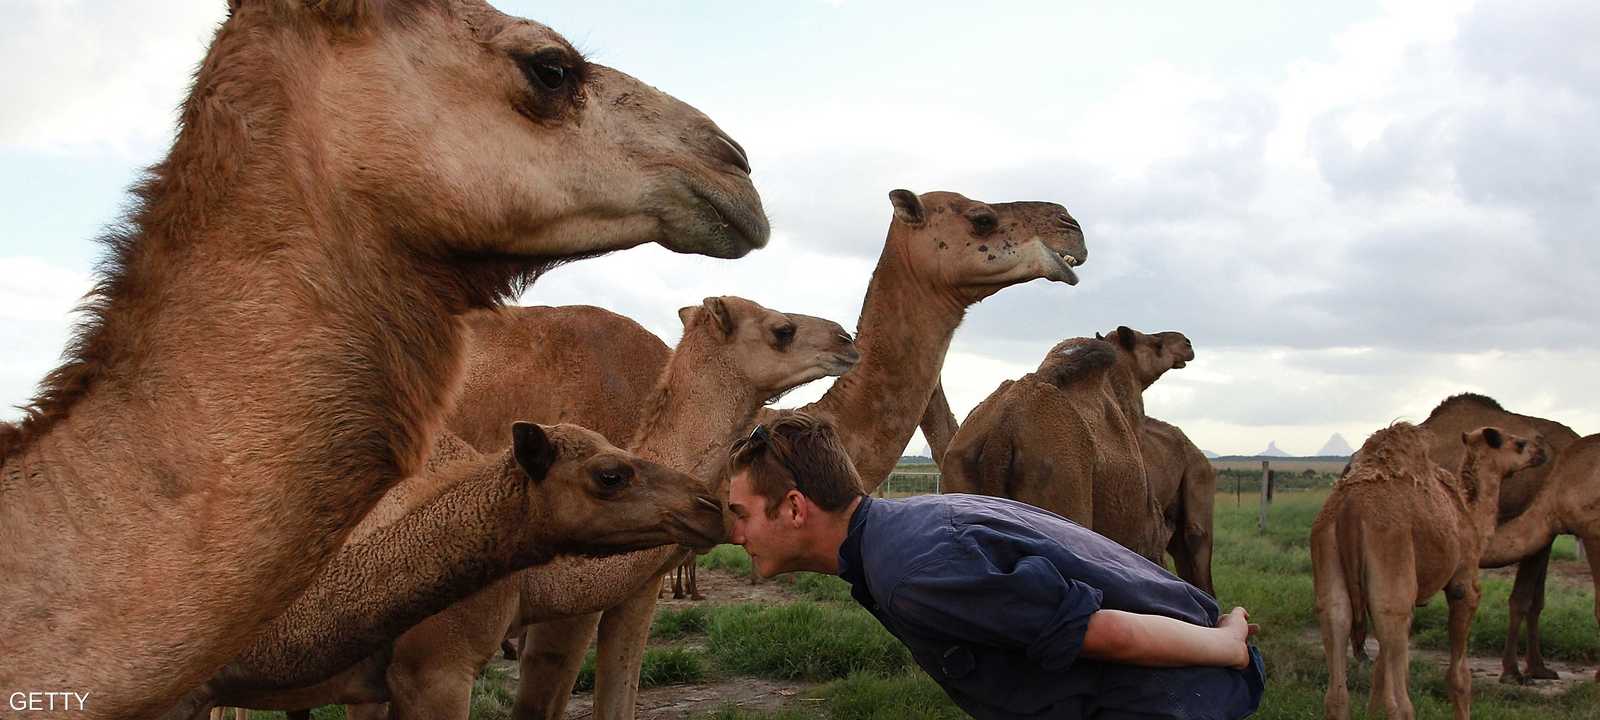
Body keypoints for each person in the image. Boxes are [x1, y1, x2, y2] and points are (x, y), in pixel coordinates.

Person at [726, 411, 1265, 720]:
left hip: (1170, 701)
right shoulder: (911, 526)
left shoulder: (913, 572)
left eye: (742, 514)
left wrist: (1224, 645)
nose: (736, 535)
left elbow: (1101, 632)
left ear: (795, 507)